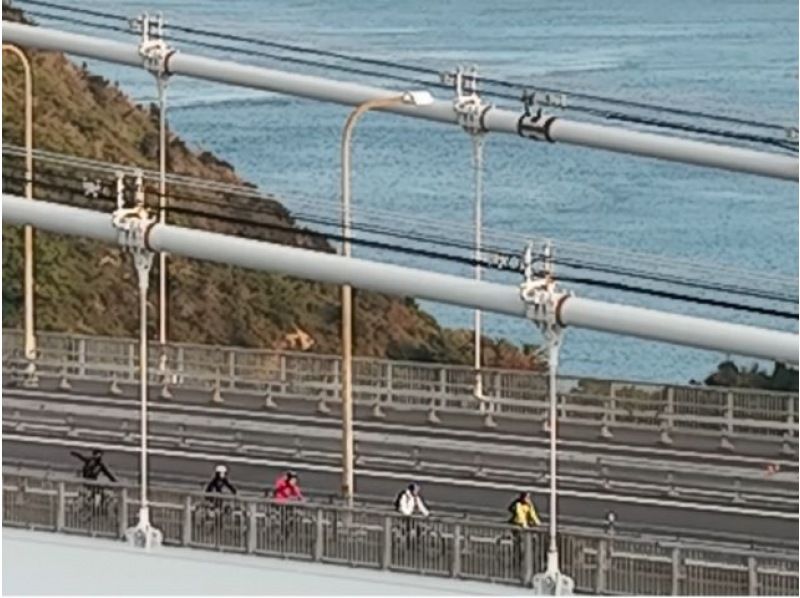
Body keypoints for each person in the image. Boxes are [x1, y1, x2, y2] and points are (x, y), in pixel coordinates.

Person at [70, 449, 116, 513]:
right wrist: (75, 454)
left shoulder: (100, 465)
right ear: (94, 455)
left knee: (101, 493)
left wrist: (115, 481)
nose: (99, 456)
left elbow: (108, 474)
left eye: (100, 455)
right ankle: (90, 506)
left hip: (93, 483)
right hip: (86, 482)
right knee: (92, 494)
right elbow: (81, 457)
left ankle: (98, 506)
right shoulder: (89, 460)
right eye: (98, 455)